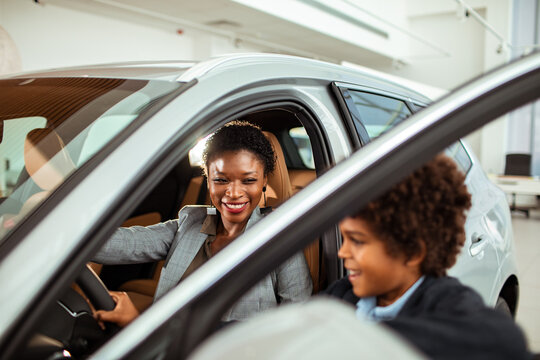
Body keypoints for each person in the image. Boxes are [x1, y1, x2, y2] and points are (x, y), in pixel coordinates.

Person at [93, 121, 312, 326]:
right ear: (208, 178)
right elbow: (120, 244)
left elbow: (296, 329)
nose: (233, 193)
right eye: (221, 180)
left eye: (248, 180)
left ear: (264, 180)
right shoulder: (190, 222)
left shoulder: (281, 239)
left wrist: (138, 324)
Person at [324, 154, 531, 359]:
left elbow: (505, 339)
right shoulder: (341, 294)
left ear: (412, 252)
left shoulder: (449, 302)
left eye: (358, 241)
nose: (342, 252)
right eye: (344, 238)